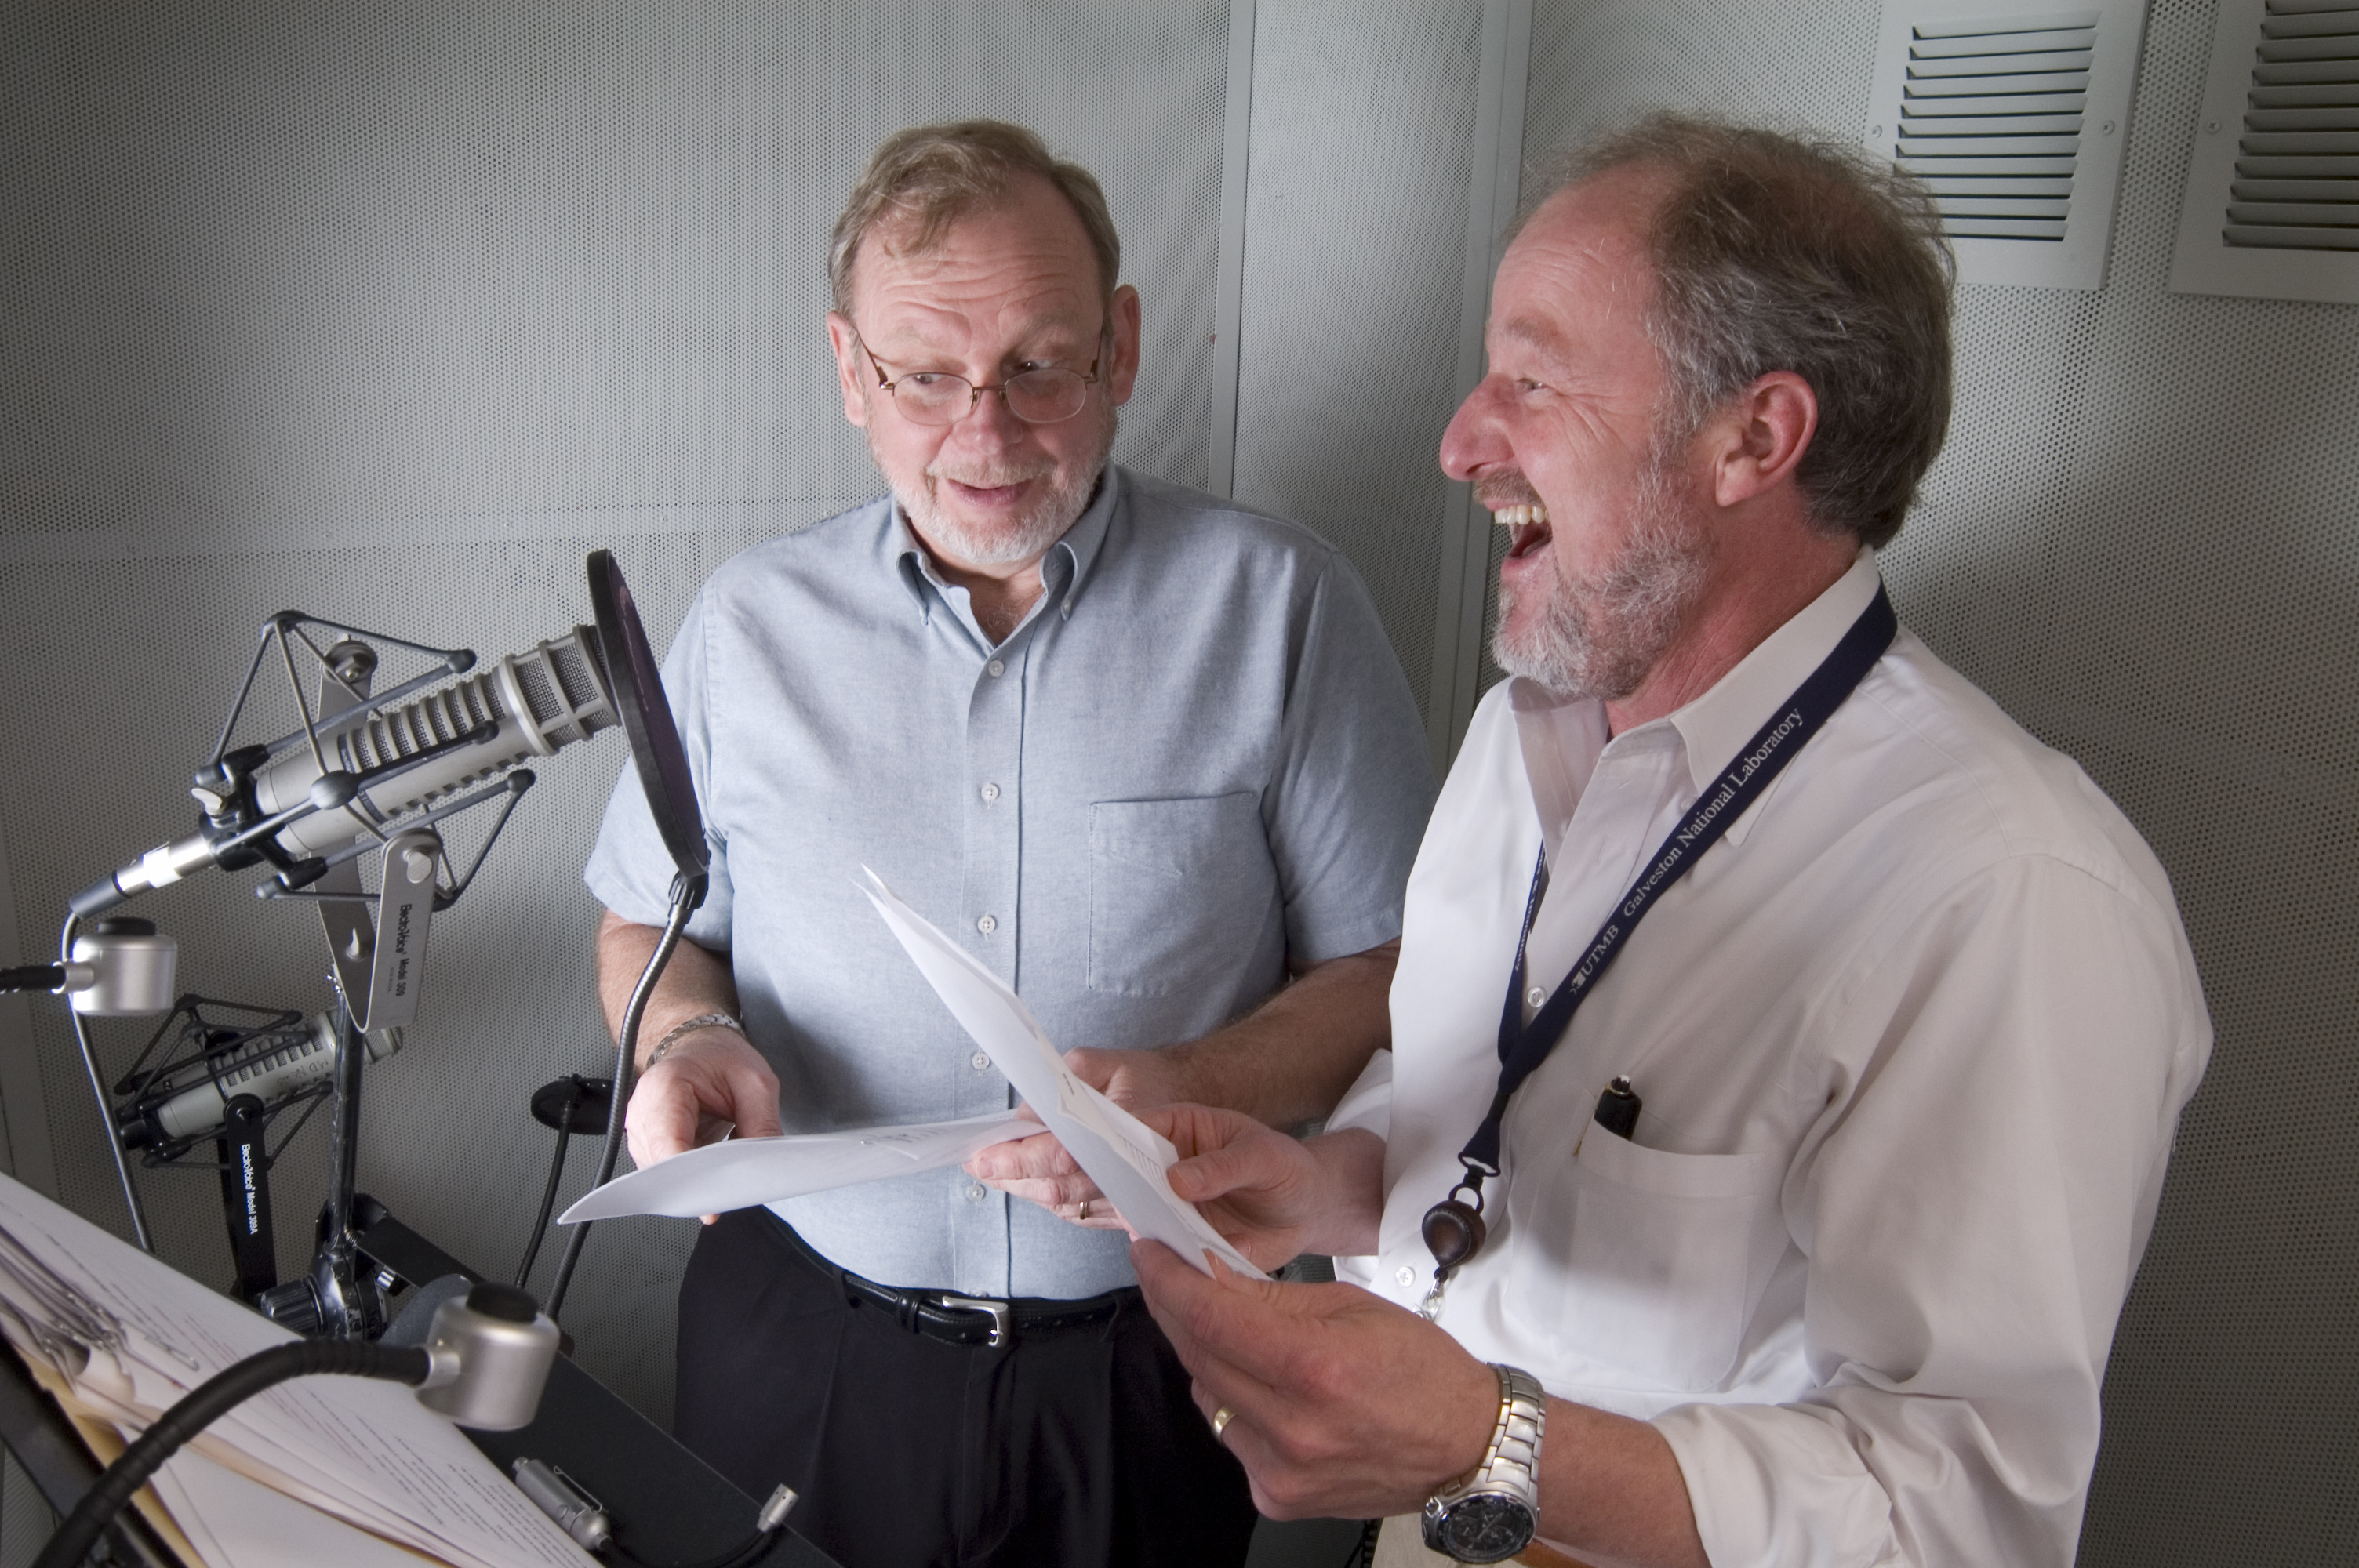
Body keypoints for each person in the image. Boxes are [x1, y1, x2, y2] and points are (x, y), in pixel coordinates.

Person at [1098, 114, 2210, 1567]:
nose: (1459, 440)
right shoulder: (1523, 740)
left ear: (1755, 436)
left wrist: (1488, 1442)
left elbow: (1968, 1514)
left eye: (1533, 380)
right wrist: (1328, 1182)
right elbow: (1496, 1121)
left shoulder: (2011, 892)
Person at [581, 119, 1434, 1568]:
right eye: (925, 375)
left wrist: (1196, 1085)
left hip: (1151, 1358)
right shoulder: (744, 628)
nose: (984, 432)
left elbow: (1395, 968)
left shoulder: (1282, 605)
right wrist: (676, 1044)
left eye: (1037, 364)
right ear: (849, 370)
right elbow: (645, 930)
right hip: (805, 1333)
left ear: (1121, 346)